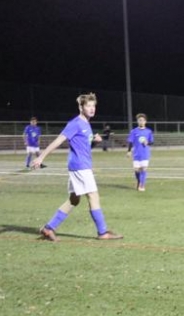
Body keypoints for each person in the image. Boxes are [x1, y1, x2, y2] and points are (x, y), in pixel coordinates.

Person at [31, 93, 123, 241]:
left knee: (74, 200)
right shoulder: (75, 123)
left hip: (80, 165)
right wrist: (41, 157)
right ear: (81, 107)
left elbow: (84, 147)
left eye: (93, 106)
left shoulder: (86, 124)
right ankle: (102, 232)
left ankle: (49, 228)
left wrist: (95, 142)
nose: (92, 109)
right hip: (80, 166)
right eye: (88, 106)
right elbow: (58, 140)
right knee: (93, 196)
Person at [127, 113, 155, 192]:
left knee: (143, 169)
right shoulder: (134, 131)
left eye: (142, 120)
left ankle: (142, 185)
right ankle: (139, 181)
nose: (141, 122)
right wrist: (129, 151)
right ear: (137, 121)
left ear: (145, 121)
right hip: (136, 154)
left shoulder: (148, 131)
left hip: (145, 153)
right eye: (139, 120)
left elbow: (152, 142)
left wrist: (147, 143)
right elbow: (130, 142)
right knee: (137, 170)